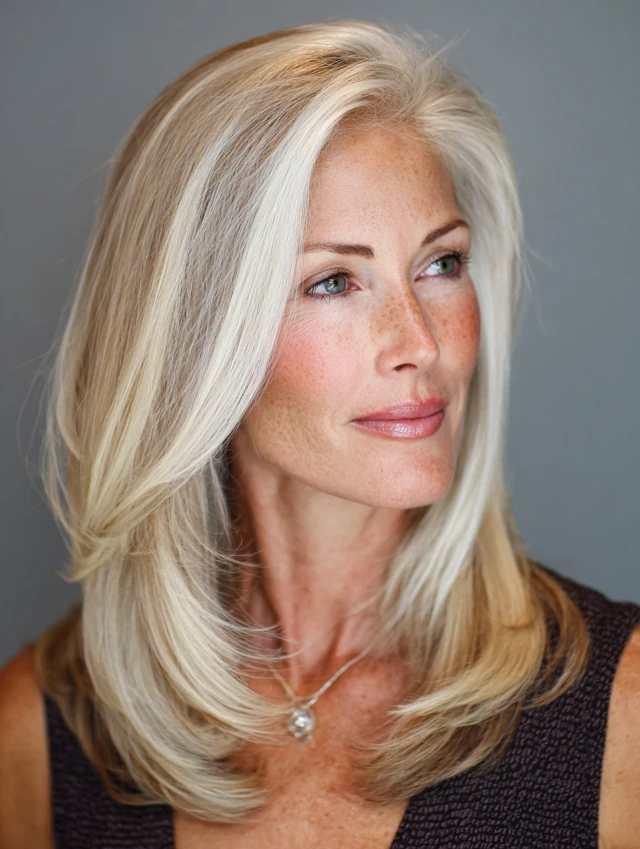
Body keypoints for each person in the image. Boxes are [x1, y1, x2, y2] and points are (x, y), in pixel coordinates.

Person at [0, 18, 638, 849]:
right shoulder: (38, 734)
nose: (421, 342)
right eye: (334, 281)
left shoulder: (622, 710)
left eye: (441, 263)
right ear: (196, 335)